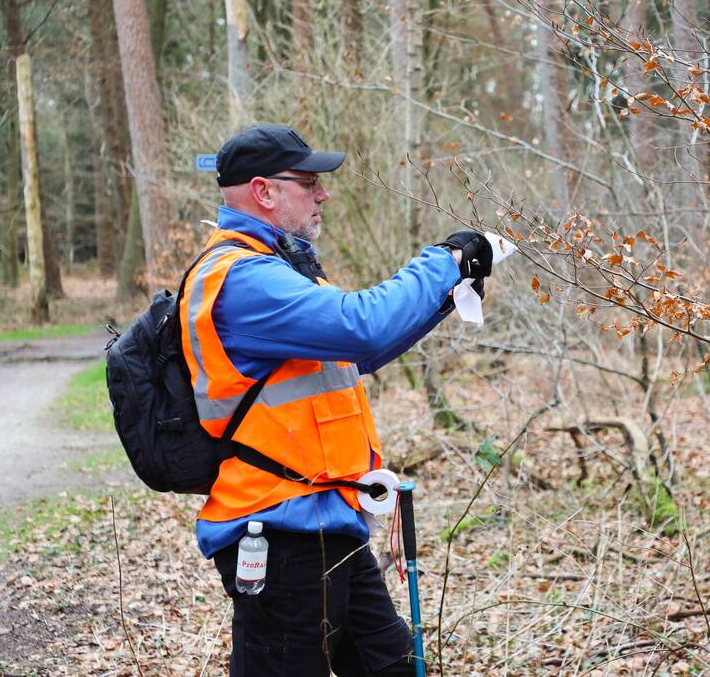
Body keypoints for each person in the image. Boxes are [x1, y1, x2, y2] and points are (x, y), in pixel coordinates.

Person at [180, 123, 493, 676]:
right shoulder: (242, 279)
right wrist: (441, 261)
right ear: (265, 191)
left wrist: (448, 293)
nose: (323, 193)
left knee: (390, 665)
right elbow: (362, 326)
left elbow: (358, 353)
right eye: (309, 182)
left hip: (328, 520)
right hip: (277, 533)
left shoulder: (283, 268)